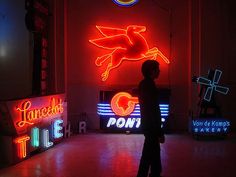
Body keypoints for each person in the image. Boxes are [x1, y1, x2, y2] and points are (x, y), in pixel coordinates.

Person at [137, 60, 165, 177]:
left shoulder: (145, 84)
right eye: (157, 69)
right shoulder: (149, 86)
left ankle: (155, 173)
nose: (159, 71)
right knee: (149, 154)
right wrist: (159, 130)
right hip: (151, 126)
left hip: (148, 125)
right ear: (151, 71)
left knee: (152, 152)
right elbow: (152, 110)